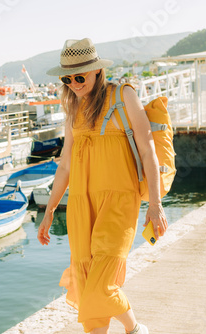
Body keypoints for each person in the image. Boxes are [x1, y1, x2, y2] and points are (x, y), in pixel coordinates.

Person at [37, 38, 168, 334]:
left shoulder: (123, 96)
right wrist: (49, 210)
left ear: (97, 71)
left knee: (101, 284)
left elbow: (147, 149)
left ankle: (135, 328)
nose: (74, 83)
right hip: (82, 205)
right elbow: (66, 165)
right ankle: (134, 330)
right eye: (67, 78)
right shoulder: (74, 111)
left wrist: (155, 204)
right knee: (86, 285)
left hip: (119, 202)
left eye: (79, 76)